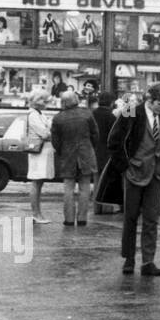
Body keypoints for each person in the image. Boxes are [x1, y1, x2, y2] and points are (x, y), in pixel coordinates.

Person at [109, 84, 160, 276]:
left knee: (151, 219)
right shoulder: (131, 111)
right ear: (149, 99)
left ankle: (148, 262)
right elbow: (114, 140)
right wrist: (124, 167)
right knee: (130, 217)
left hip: (157, 173)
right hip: (134, 172)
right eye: (158, 104)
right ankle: (129, 260)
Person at [50, 90, 98, 227]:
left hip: (67, 156)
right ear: (76, 100)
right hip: (86, 154)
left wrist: (62, 152)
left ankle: (69, 219)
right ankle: (82, 219)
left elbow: (56, 141)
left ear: (63, 102)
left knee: (68, 189)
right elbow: (95, 135)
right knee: (85, 188)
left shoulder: (58, 118)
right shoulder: (87, 114)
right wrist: (89, 148)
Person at [24, 90, 54, 224]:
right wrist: (49, 128)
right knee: (36, 182)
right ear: (37, 101)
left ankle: (38, 213)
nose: (47, 103)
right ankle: (36, 214)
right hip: (38, 152)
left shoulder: (39, 113)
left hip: (42, 151)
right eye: (44, 100)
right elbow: (45, 134)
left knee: (39, 182)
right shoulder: (33, 115)